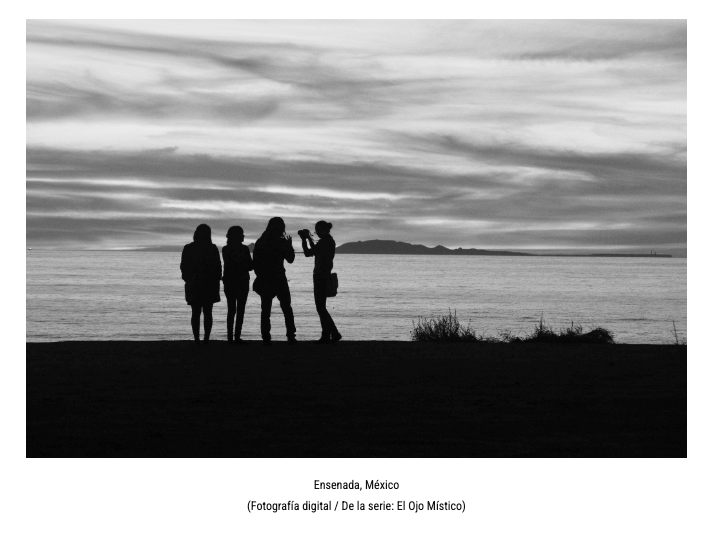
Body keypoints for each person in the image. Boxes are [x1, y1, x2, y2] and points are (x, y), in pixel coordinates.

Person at [252, 217, 297, 345]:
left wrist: (260, 275)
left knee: (266, 309)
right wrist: (289, 245)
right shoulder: (281, 242)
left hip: (265, 278)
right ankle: (291, 335)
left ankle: (266, 336)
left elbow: (255, 263)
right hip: (279, 278)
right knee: (286, 308)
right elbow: (290, 259)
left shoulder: (261, 242)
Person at [300, 220, 341, 343]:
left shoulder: (325, 242)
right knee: (321, 307)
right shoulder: (327, 241)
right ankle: (330, 333)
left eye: (318, 230)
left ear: (323, 230)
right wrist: (307, 239)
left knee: (320, 307)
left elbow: (309, 253)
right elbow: (313, 251)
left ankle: (330, 333)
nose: (316, 233)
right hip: (323, 275)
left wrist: (305, 239)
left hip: (321, 277)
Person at [180, 224, 222, 345]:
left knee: (195, 312)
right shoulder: (212, 248)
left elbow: (183, 266)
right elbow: (218, 267)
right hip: (209, 284)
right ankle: (206, 339)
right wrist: (217, 279)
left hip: (194, 284)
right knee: (208, 312)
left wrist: (187, 279)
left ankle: (197, 339)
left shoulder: (188, 248)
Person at [222, 226, 253, 344]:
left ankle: (230, 337)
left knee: (231, 309)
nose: (243, 236)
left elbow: (229, 264)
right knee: (240, 309)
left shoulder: (225, 249)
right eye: (242, 234)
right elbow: (250, 266)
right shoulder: (244, 249)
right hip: (242, 281)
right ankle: (237, 336)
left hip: (229, 281)